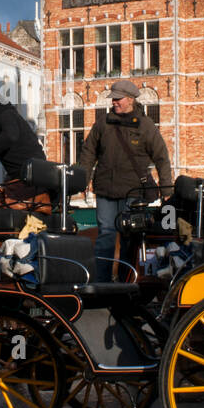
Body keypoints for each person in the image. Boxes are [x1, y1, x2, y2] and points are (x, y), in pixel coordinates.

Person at [78, 78, 173, 282]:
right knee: (106, 235)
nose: (114, 102)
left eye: (118, 99)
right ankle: (101, 282)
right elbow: (88, 152)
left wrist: (167, 191)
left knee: (130, 238)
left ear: (130, 99)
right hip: (105, 189)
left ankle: (126, 280)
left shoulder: (145, 126)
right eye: (113, 99)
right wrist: (81, 180)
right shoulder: (103, 123)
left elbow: (161, 157)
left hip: (133, 191)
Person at [0, 100, 49, 211]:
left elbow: (11, 136)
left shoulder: (5, 114)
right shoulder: (0, 120)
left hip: (28, 182)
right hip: (23, 178)